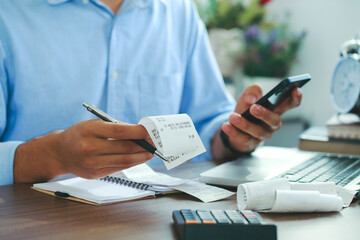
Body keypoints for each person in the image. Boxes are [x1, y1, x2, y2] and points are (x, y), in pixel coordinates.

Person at [0, 0, 302, 186]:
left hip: (155, 217)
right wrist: (52, 155)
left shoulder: (179, 10)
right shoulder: (8, 14)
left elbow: (208, 125)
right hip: (37, 222)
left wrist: (235, 134)